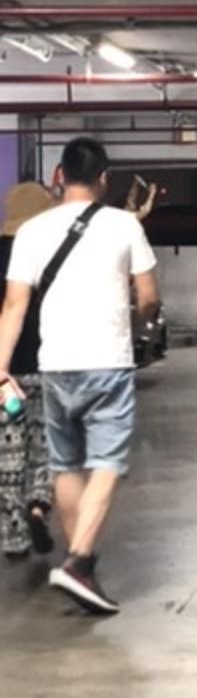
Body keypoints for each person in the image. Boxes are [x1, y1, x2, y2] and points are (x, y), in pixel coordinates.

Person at [0, 137, 159, 615]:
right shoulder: (124, 224)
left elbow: (14, 306)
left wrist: (0, 367)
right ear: (104, 178)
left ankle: (80, 569)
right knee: (108, 461)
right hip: (107, 361)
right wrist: (139, 322)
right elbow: (149, 297)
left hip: (54, 363)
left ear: (60, 176)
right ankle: (79, 560)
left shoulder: (31, 231)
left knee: (66, 465)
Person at [0, 182, 55, 561]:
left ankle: (13, 538)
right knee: (46, 449)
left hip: (6, 373)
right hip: (48, 365)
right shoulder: (49, 258)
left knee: (9, 457)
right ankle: (38, 505)